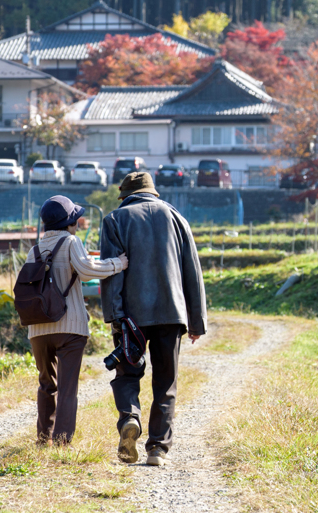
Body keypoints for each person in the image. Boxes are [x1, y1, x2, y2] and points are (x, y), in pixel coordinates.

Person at [100, 171, 206, 466]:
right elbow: (192, 273)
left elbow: (111, 273)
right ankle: (157, 449)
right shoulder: (176, 218)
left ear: (126, 195)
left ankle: (129, 419)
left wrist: (115, 316)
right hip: (172, 312)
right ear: (152, 192)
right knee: (165, 381)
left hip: (130, 316)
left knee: (127, 374)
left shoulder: (114, 220)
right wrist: (196, 321)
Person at [25, 196, 129, 445]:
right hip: (70, 328)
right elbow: (87, 270)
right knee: (68, 388)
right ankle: (61, 442)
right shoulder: (71, 242)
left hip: (38, 329)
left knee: (46, 384)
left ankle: (42, 439)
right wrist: (119, 263)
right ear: (69, 221)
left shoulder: (34, 250)